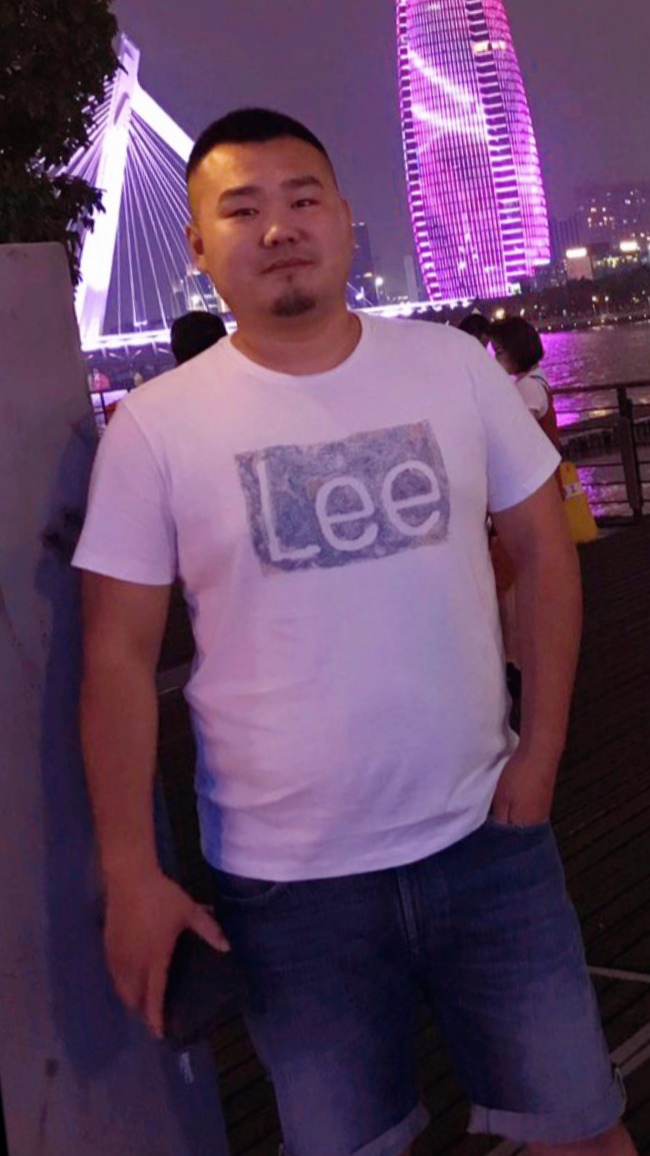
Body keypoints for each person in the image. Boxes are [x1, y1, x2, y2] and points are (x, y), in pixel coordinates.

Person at [74, 108, 633, 1156]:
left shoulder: (449, 364)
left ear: (342, 216)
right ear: (197, 246)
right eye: (241, 209)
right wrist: (131, 872)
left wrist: (543, 747)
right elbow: (114, 655)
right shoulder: (154, 428)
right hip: (288, 886)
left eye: (302, 199)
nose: (278, 227)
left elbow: (541, 546)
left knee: (581, 1132)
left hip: (487, 838)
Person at [490, 316, 561, 450]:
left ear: (516, 351)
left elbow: (517, 438)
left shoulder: (527, 386)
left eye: (499, 352)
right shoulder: (537, 378)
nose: (495, 359)